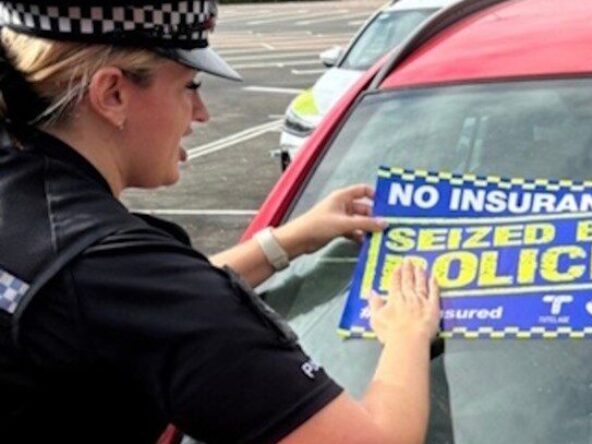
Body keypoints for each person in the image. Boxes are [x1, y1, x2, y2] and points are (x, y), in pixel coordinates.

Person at [0, 1, 441, 443]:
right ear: (112, 93)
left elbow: (137, 311)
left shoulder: (33, 201)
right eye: (188, 86)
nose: (201, 112)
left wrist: (286, 241)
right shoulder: (114, 272)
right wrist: (407, 333)